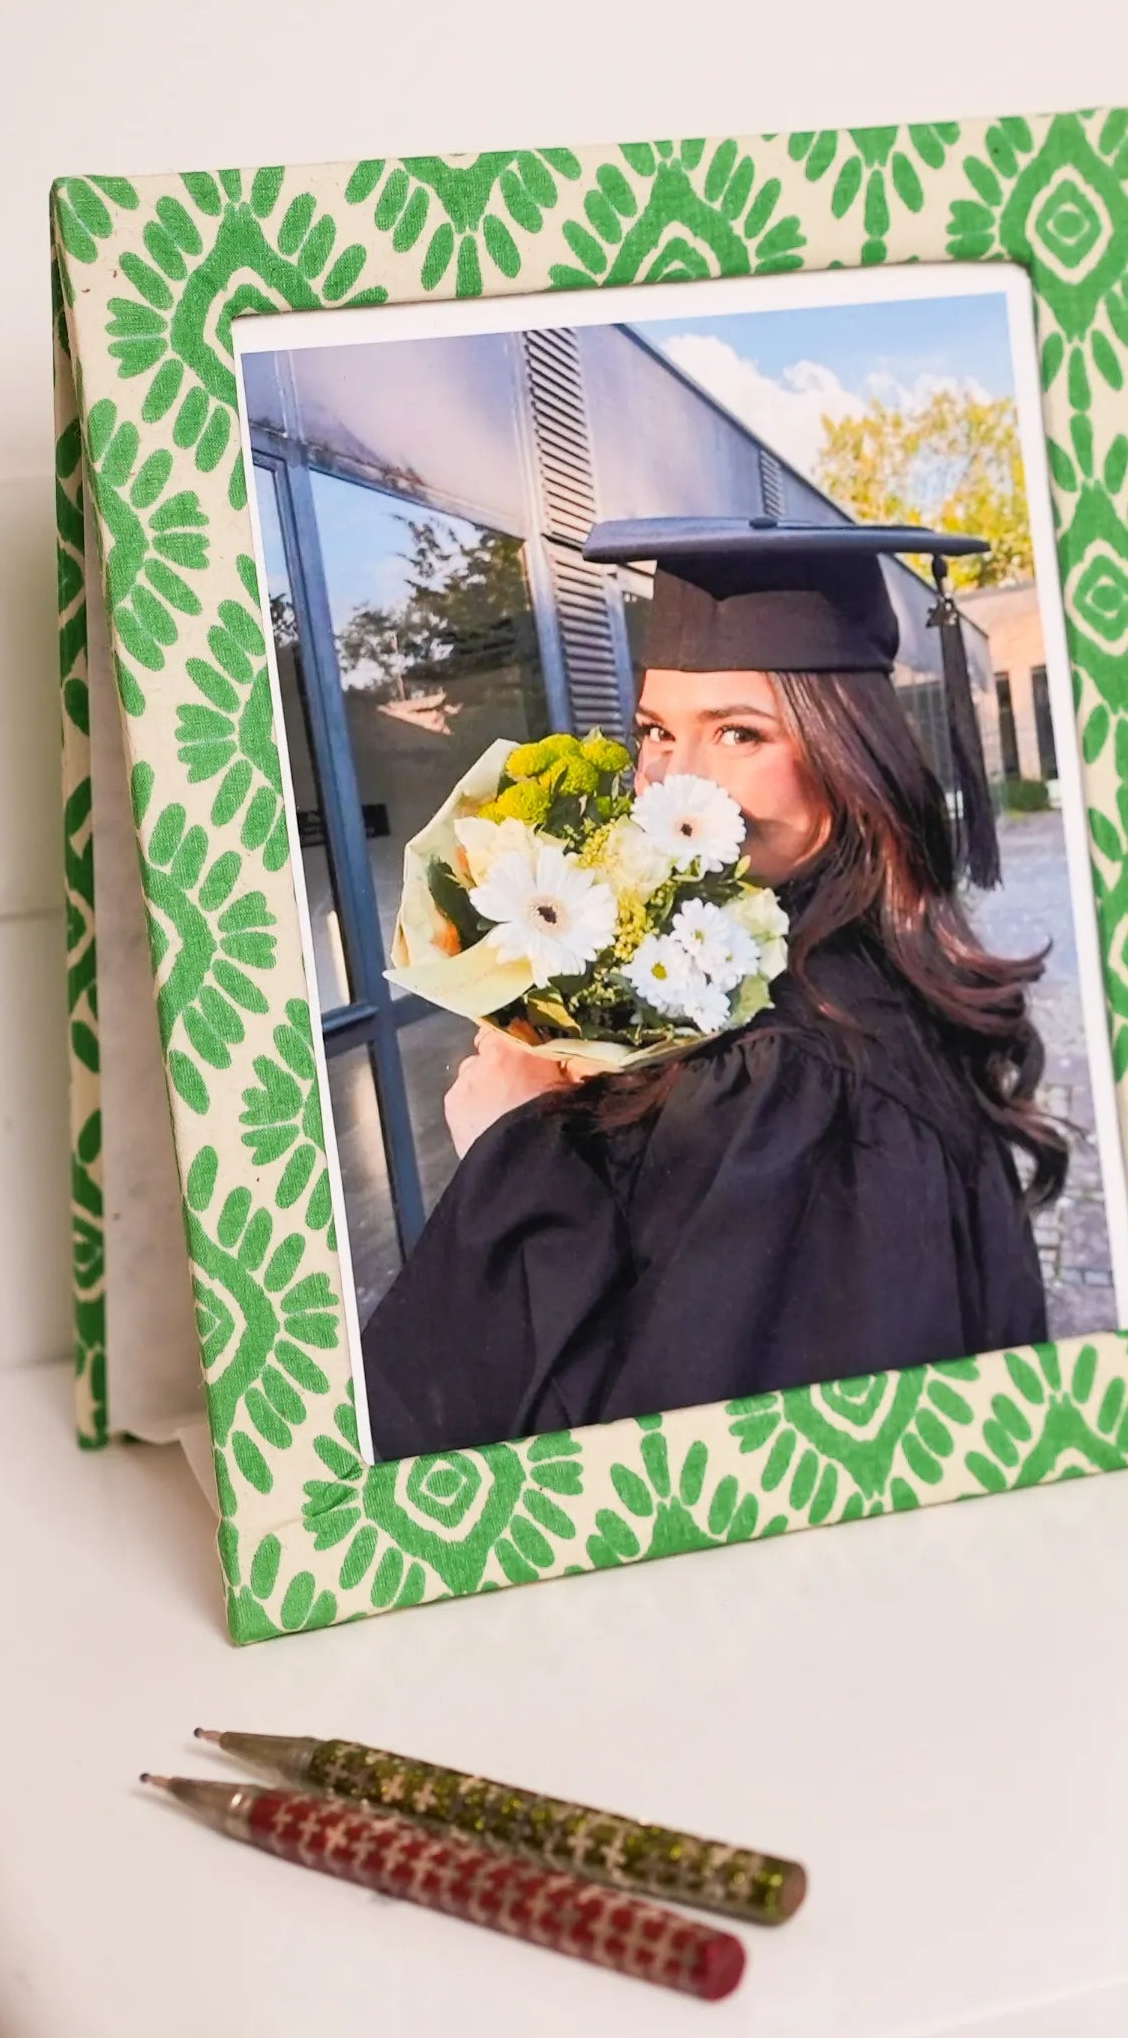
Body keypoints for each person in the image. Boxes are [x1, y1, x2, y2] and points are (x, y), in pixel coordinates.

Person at [361, 517, 1060, 1462]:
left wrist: (512, 1148)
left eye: (740, 732)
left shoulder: (800, 1079)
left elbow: (682, 1466)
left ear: (849, 756)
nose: (679, 784)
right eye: (655, 731)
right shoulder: (794, 982)